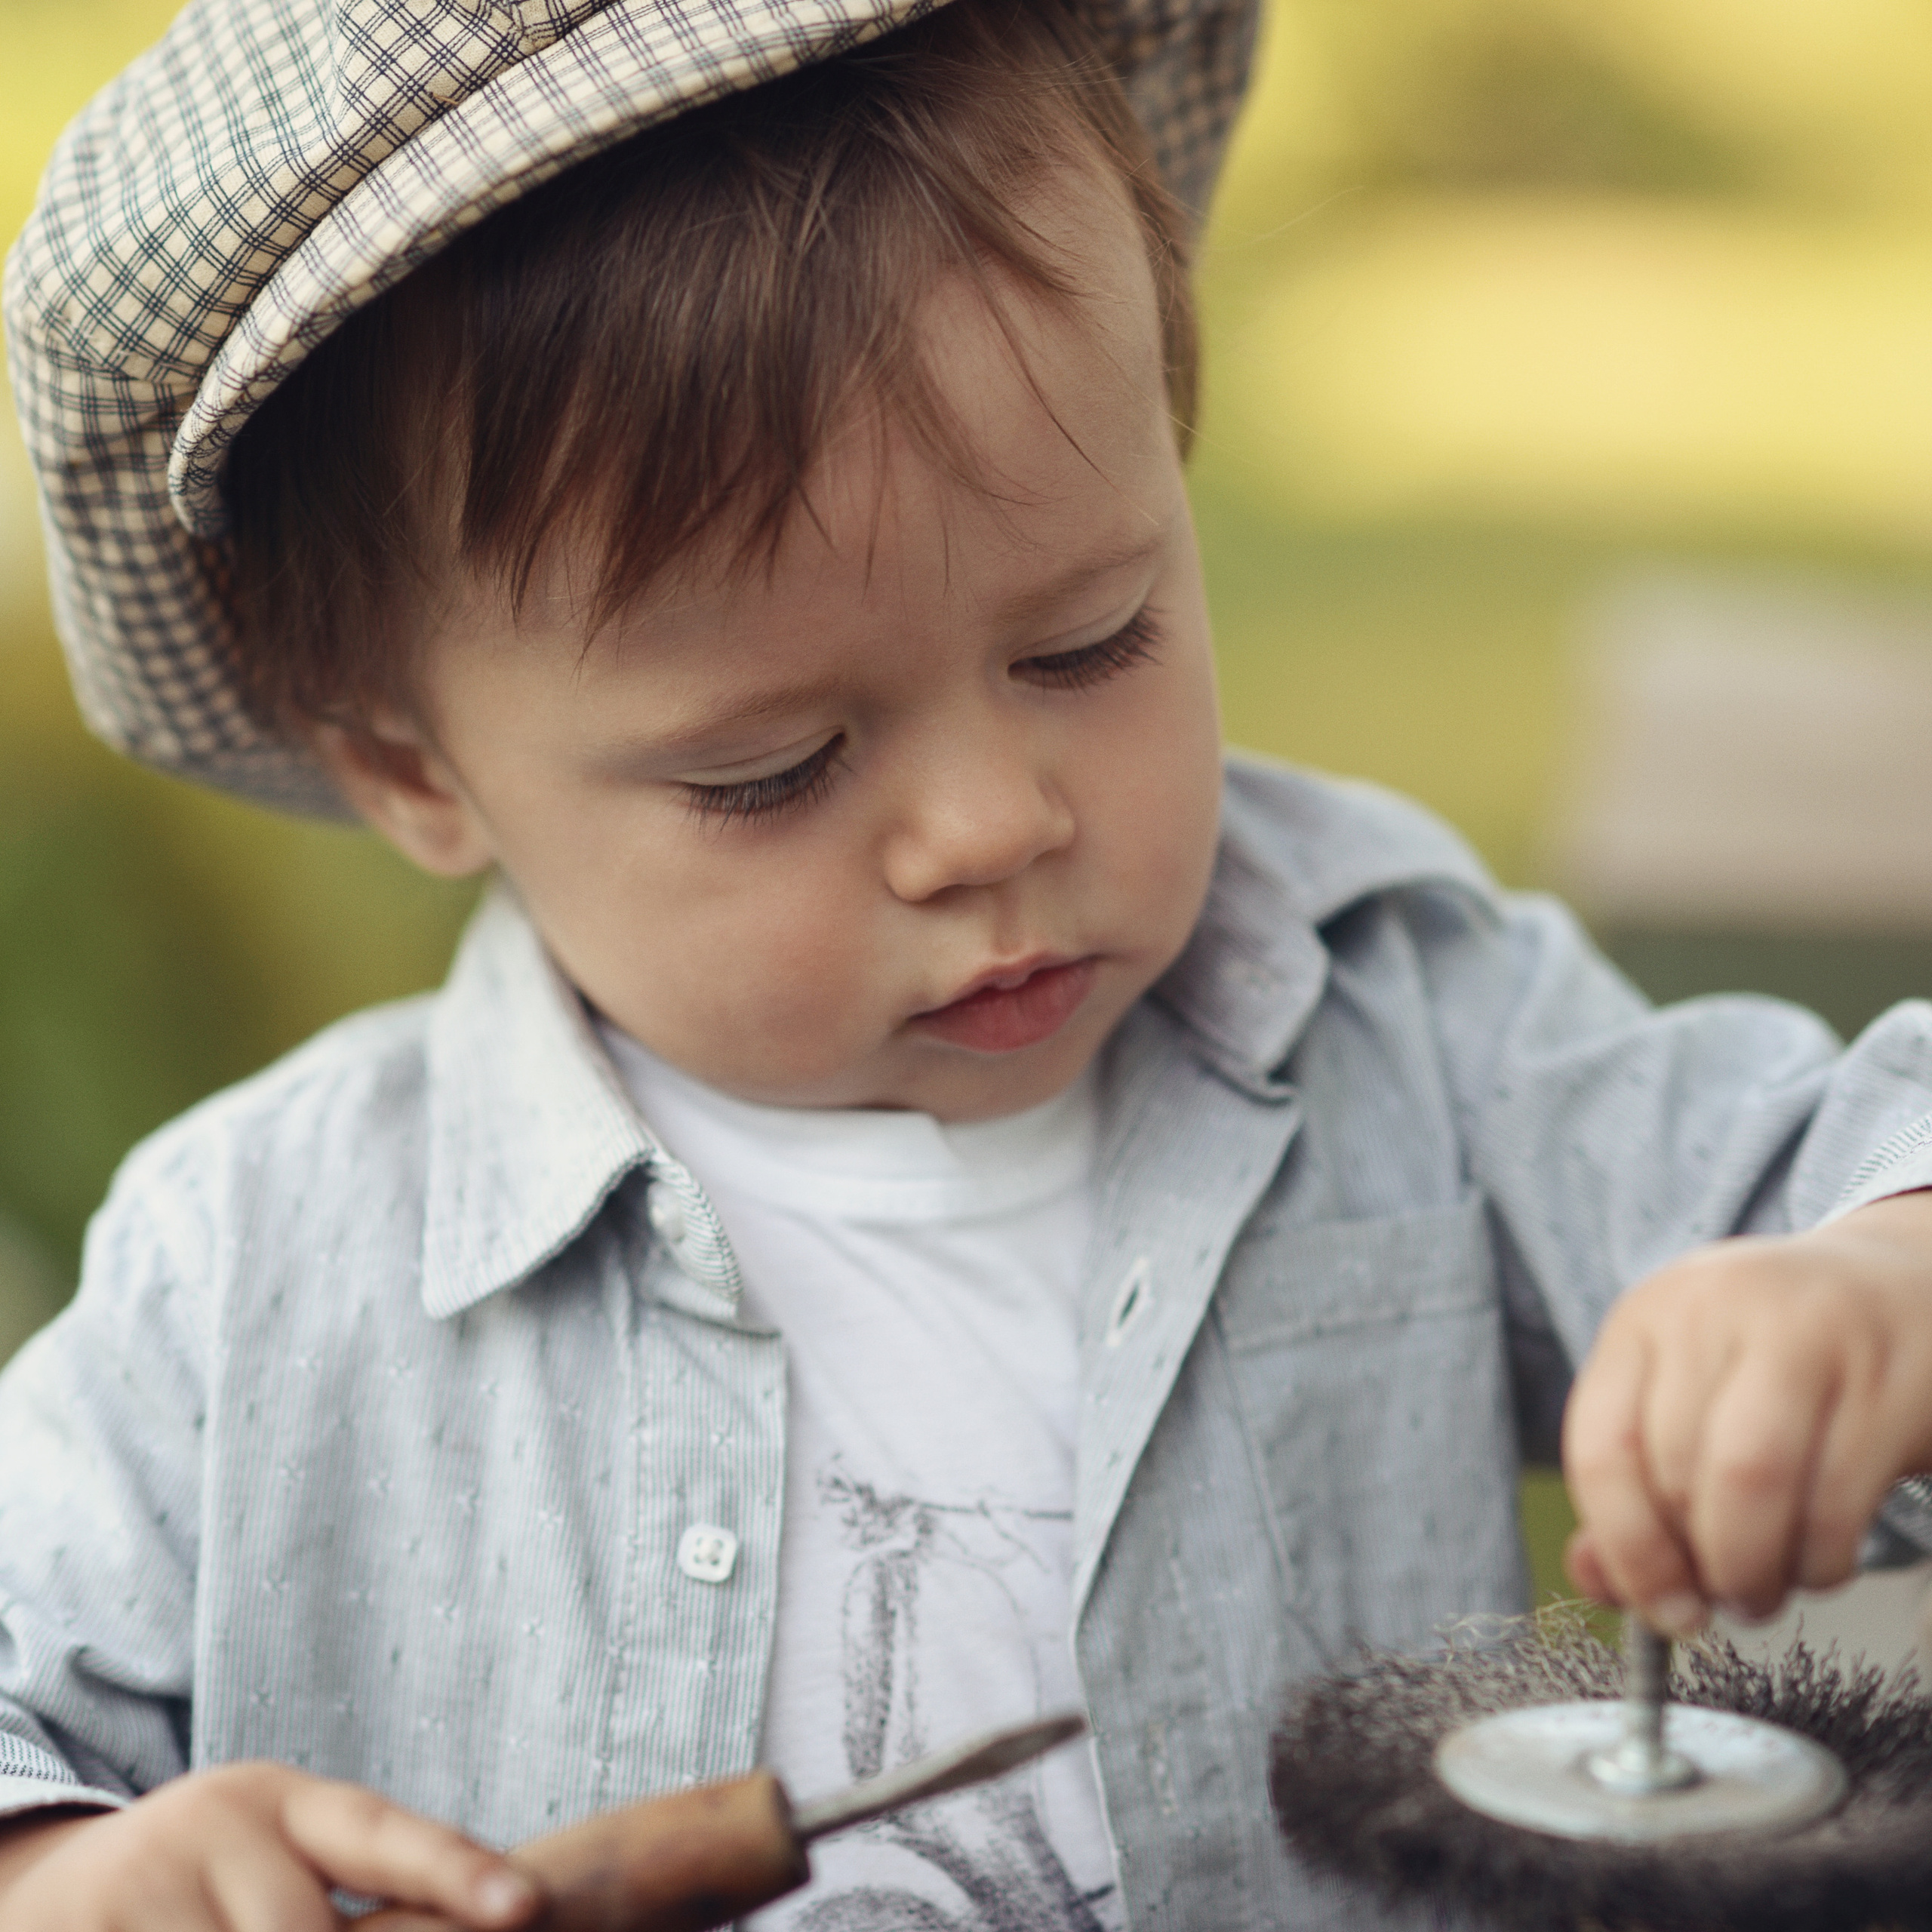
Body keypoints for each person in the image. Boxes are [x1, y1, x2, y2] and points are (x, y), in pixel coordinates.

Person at [5, 1, 1932, 1926]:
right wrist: (83, 1873)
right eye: (771, 768)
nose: (990, 824)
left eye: (1087, 640)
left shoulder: (1404, 1019)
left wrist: (1869, 1281)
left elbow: (1854, 1160)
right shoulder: (249, 1270)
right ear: (411, 763)